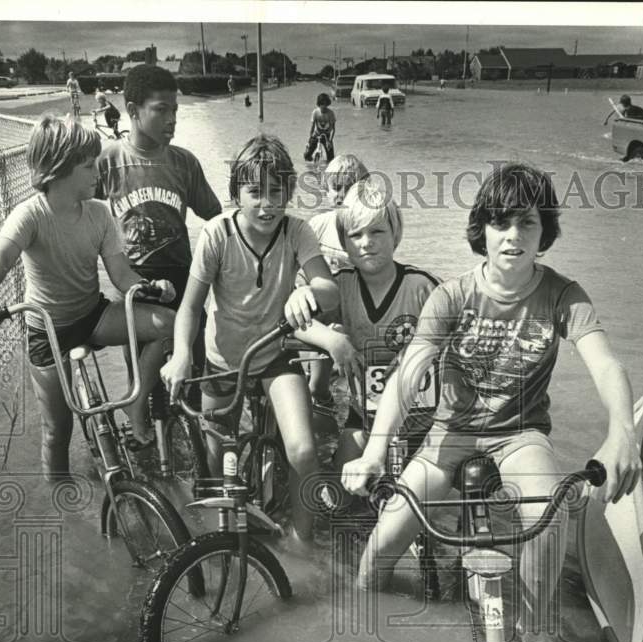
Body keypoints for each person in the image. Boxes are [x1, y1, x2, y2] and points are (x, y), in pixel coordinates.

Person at [341, 162, 642, 642]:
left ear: (545, 230)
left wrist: (622, 433)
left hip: (521, 435)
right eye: (501, 223)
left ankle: (538, 629)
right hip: (449, 434)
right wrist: (373, 451)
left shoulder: (564, 295)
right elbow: (407, 376)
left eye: (528, 223)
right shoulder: (452, 296)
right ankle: (361, 632)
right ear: (481, 230)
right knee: (380, 549)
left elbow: (606, 363)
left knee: (550, 514)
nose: (514, 236)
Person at [161, 134, 357, 548]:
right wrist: (181, 355)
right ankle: (216, 543)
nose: (267, 204)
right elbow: (190, 308)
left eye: (276, 192)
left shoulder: (297, 231)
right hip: (222, 361)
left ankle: (302, 547)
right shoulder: (217, 234)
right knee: (214, 467)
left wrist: (310, 292)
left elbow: (330, 289)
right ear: (235, 194)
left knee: (303, 452)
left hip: (274, 358)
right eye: (255, 192)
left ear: (289, 193)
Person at [0, 114, 176, 479]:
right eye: (88, 166)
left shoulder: (98, 213)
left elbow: (122, 275)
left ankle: (136, 401)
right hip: (47, 330)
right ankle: (62, 504)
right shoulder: (30, 215)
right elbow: (0, 256)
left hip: (92, 315)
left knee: (168, 324)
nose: (98, 173)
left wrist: (149, 287)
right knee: (57, 430)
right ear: (58, 170)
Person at [95, 64, 222, 402]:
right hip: (133, 282)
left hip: (183, 278)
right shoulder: (108, 162)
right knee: (142, 380)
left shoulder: (184, 163)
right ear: (134, 111)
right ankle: (147, 435)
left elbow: (217, 217)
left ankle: (191, 440)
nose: (172, 119)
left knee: (193, 371)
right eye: (161, 109)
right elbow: (81, 215)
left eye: (176, 110)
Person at [319, 178, 440, 469]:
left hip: (422, 424)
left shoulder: (423, 287)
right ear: (343, 241)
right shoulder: (340, 287)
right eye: (356, 234)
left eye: (377, 231)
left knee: (417, 502)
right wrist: (330, 339)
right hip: (363, 420)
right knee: (339, 498)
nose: (366, 242)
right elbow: (295, 323)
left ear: (395, 234)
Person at [302, 154, 370, 414]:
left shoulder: (366, 228)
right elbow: (301, 271)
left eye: (349, 187)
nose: (341, 194)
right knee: (330, 326)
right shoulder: (317, 225)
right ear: (326, 191)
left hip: (354, 306)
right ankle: (318, 390)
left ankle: (356, 404)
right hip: (323, 307)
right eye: (336, 188)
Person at [304, 93, 336, 163]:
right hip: (316, 135)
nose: (324, 106)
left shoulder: (331, 113)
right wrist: (310, 139)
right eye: (322, 104)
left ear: (327, 104)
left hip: (327, 137)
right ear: (319, 104)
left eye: (325, 104)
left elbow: (333, 129)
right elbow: (312, 127)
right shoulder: (315, 112)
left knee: (331, 159)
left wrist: (330, 141)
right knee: (307, 156)